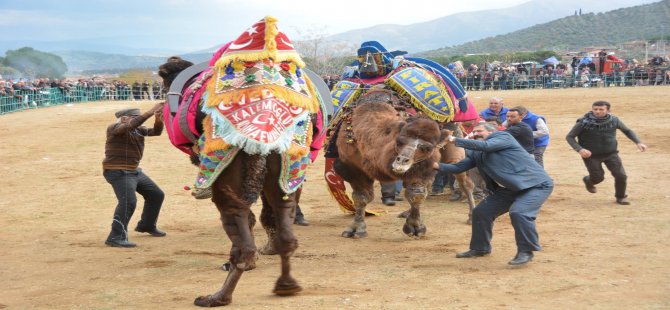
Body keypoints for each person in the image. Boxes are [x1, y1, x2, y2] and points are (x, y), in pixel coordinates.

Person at [434, 122, 553, 266]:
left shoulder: (503, 137)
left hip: (535, 186)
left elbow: (487, 146)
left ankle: (526, 251)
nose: (476, 133)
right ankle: (480, 248)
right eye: (474, 131)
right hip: (509, 189)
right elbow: (458, 167)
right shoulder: (477, 152)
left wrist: (453, 139)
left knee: (519, 213)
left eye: (480, 131)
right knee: (481, 212)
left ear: (492, 132)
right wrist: (435, 165)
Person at [103, 103, 167, 248]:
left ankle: (147, 225)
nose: (139, 120)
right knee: (128, 202)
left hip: (134, 171)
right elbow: (129, 127)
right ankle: (115, 237)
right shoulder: (114, 128)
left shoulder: (137, 130)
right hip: (118, 171)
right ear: (124, 118)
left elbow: (156, 132)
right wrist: (150, 112)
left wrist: (158, 119)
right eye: (135, 118)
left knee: (156, 195)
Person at [565, 101, 647, 205]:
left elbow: (627, 131)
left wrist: (638, 142)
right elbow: (569, 136)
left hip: (611, 153)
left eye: (601, 109)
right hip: (591, 156)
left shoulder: (614, 120)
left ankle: (621, 197)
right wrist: (580, 149)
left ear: (608, 110)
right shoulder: (583, 122)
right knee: (598, 177)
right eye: (595, 109)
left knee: (621, 175)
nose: (597, 112)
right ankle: (588, 180)